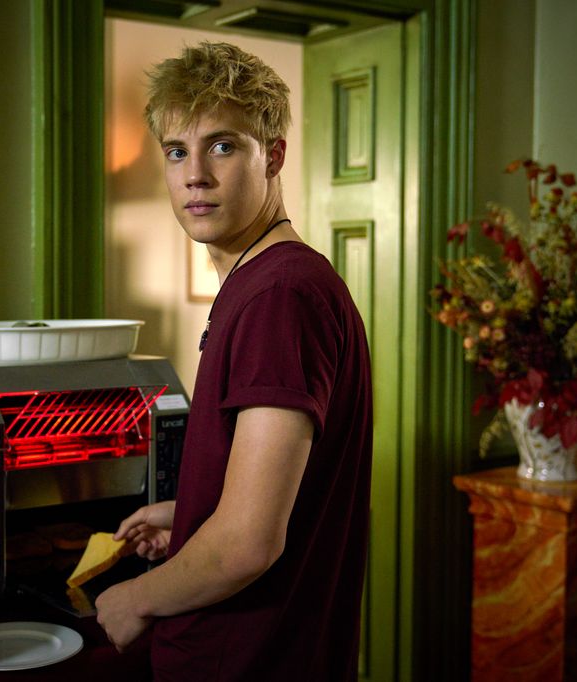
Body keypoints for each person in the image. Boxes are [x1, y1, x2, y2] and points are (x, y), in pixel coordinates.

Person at [95, 41, 373, 681]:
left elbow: (248, 542)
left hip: (250, 659)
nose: (195, 173)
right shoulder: (267, 285)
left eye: (222, 145)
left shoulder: (280, 295)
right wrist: (191, 512)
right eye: (176, 151)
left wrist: (137, 597)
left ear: (273, 155)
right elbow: (272, 495)